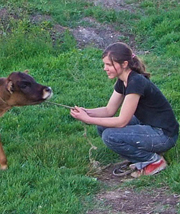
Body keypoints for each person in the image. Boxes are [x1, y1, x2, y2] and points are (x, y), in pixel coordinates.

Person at [70, 42, 179, 178]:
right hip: (149, 126)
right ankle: (142, 157)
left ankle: (153, 161)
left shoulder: (136, 82)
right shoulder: (123, 81)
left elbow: (122, 121)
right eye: (105, 64)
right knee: (103, 127)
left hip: (164, 135)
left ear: (124, 64)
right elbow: (109, 110)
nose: (105, 68)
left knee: (110, 136)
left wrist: (88, 119)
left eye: (109, 65)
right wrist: (86, 112)